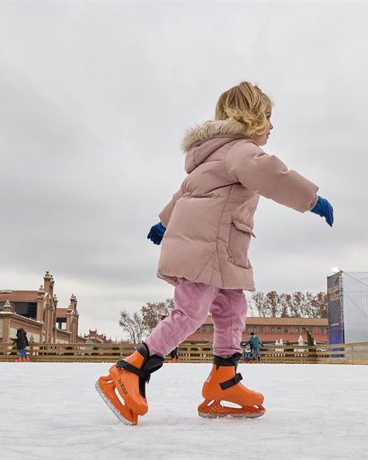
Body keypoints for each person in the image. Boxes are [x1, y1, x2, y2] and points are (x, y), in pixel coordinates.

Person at [96, 81, 333, 426]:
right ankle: (130, 368)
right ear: (252, 117)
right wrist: (312, 200)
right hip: (206, 247)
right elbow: (272, 175)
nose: (272, 125)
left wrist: (164, 223)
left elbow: (184, 194)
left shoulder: (214, 156)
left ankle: (223, 380)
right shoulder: (240, 151)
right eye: (267, 116)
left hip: (221, 249)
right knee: (190, 311)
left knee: (232, 309)